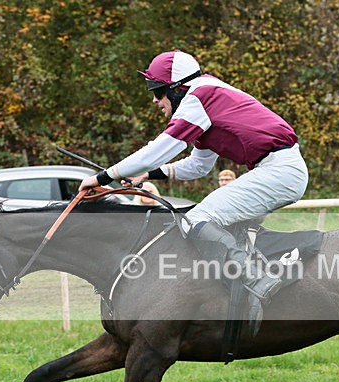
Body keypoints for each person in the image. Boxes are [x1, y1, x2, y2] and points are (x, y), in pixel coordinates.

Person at [79, 50, 308, 324]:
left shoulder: (198, 98)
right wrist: (149, 175)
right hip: (276, 169)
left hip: (279, 170)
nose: (155, 100)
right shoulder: (207, 99)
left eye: (158, 91)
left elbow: (160, 149)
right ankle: (233, 294)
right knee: (209, 219)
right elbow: (199, 166)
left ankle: (259, 279)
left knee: (197, 218)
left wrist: (102, 177)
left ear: (178, 89)